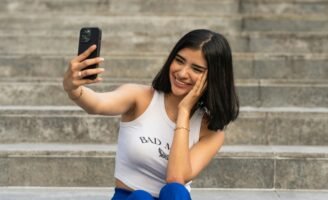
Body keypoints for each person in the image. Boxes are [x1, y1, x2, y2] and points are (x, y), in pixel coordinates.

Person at [63, 29, 239, 200]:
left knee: (176, 191)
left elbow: (176, 178)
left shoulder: (211, 132)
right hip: (129, 198)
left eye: (196, 69)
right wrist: (73, 89)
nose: (182, 73)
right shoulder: (140, 97)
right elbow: (97, 104)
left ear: (214, 78)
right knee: (140, 197)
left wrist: (184, 112)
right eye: (179, 60)